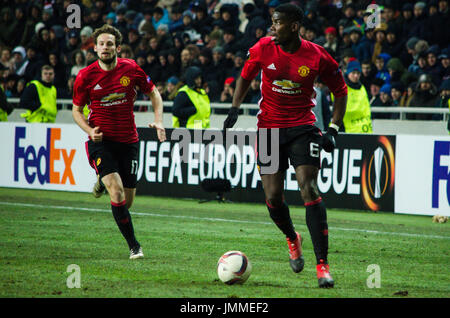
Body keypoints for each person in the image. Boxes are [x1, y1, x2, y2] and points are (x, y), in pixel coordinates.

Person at [223, 4, 348, 288]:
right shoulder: (263, 48)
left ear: (293, 26)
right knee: (274, 196)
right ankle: (293, 238)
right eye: (272, 22)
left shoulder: (316, 55)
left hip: (304, 128)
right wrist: (234, 107)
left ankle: (322, 266)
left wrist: (333, 128)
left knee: (309, 188)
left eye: (277, 22)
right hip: (268, 129)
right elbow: (245, 75)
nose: (272, 27)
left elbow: (341, 91)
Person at [72, 24, 166, 260]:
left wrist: (158, 120)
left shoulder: (131, 69)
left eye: (110, 44)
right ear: (95, 48)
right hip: (101, 140)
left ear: (118, 48)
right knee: (116, 190)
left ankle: (102, 182)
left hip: (129, 141)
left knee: (127, 201)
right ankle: (134, 246)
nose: (105, 47)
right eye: (101, 44)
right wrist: (89, 130)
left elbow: (154, 93)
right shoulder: (85, 76)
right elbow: (76, 110)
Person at [343, 60, 373, 131]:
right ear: (348, 73)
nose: (356, 76)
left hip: (365, 129)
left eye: (358, 73)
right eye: (353, 73)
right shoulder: (342, 88)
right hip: (348, 131)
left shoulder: (362, 88)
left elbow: (367, 109)